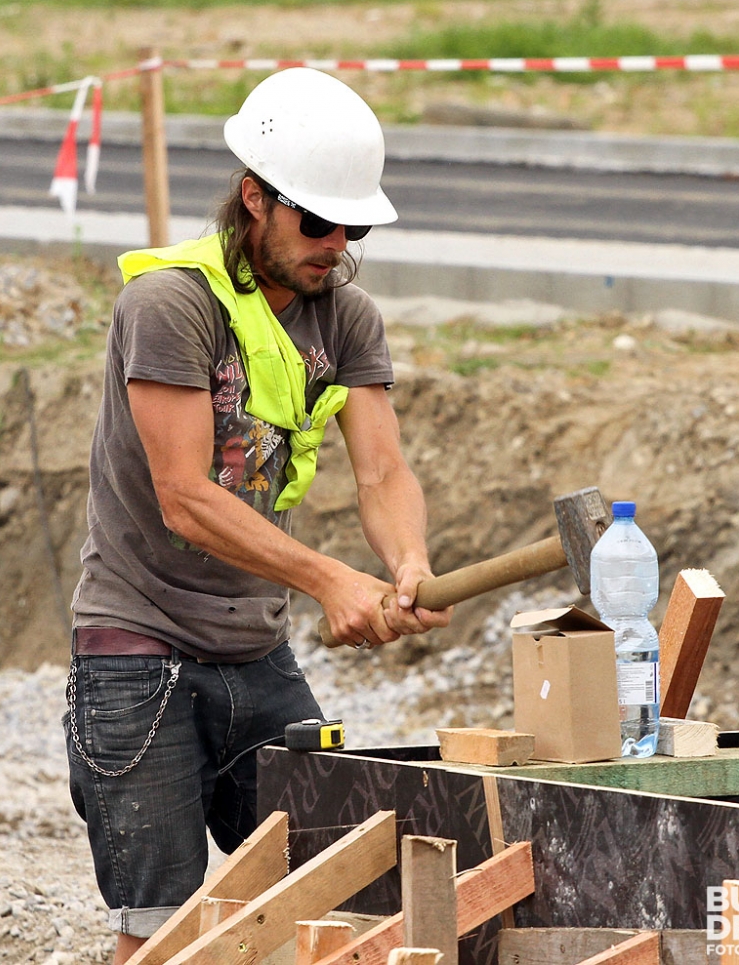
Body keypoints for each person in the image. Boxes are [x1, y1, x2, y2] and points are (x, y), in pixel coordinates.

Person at [64, 67, 452, 964]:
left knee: (342, 877)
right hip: (138, 656)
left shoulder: (344, 316)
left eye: (352, 226)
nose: (336, 244)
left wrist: (406, 566)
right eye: (316, 222)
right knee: (158, 930)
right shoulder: (171, 304)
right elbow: (187, 498)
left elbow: (382, 469)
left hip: (255, 654)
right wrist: (329, 579)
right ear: (254, 198)